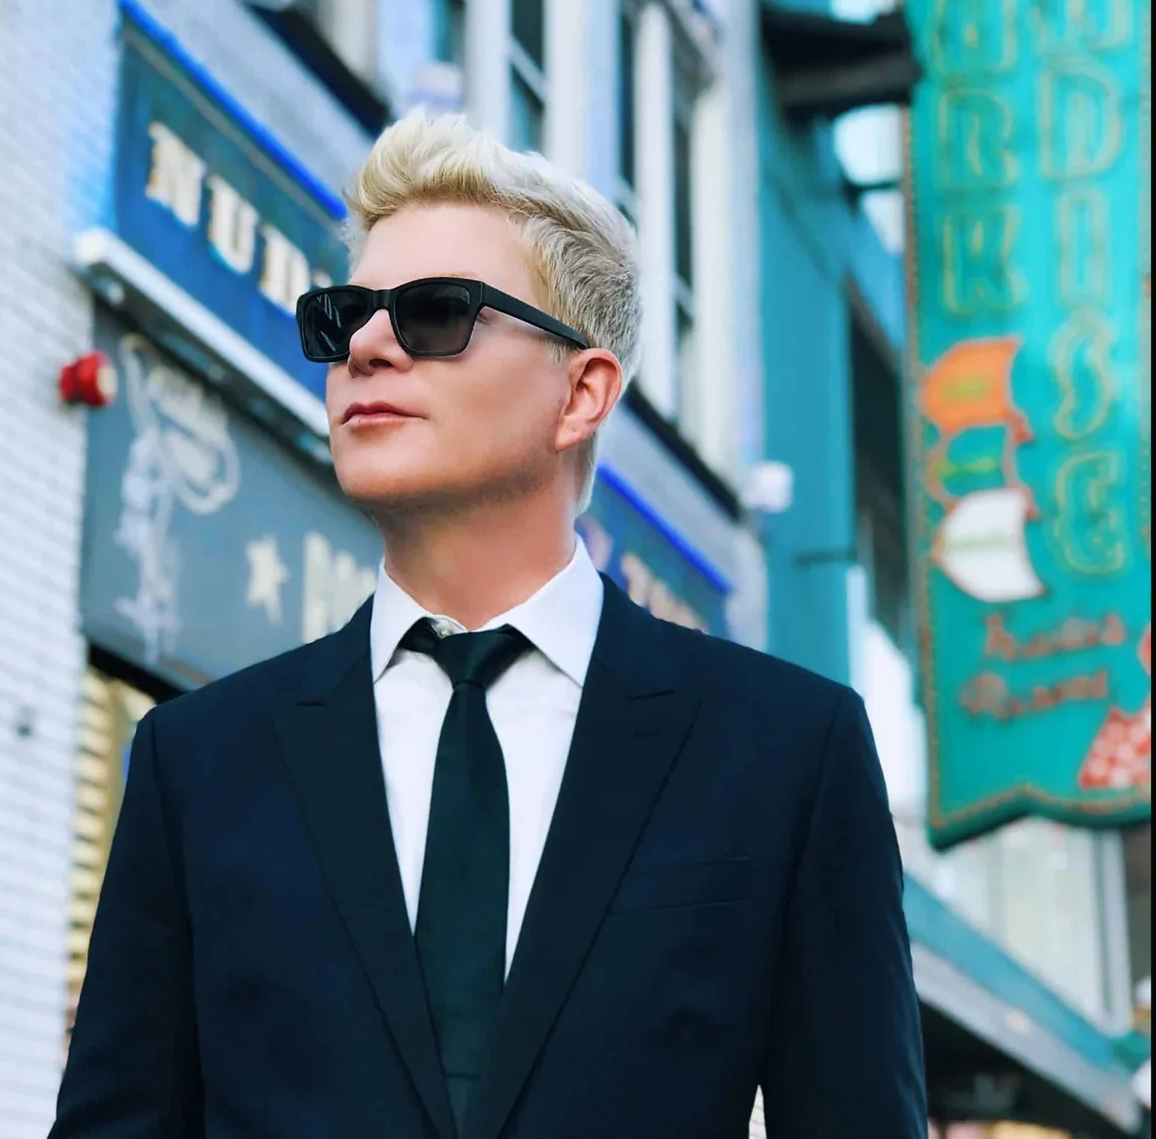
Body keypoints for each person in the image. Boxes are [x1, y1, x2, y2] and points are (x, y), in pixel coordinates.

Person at [51, 113, 928, 1139]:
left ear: (580, 391)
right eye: (343, 317)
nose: (368, 347)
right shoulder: (195, 761)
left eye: (434, 314)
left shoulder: (786, 749)